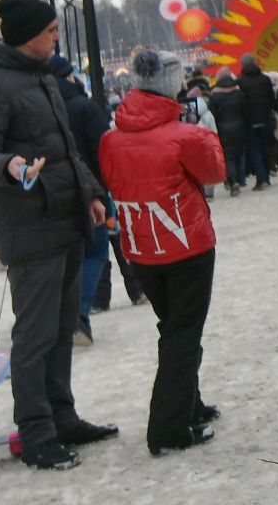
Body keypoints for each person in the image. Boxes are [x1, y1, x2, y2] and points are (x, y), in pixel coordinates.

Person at [0, 0, 117, 472]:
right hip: (29, 228)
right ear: (28, 34)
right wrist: (7, 166)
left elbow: (66, 149)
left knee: (63, 329)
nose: (56, 37)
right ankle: (36, 433)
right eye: (51, 30)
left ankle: (62, 417)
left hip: (66, 220)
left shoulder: (42, 78)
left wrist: (89, 191)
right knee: (35, 334)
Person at [99, 47, 226, 456]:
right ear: (172, 85)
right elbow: (215, 174)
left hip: (141, 247)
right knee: (183, 334)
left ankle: (189, 405)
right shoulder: (187, 134)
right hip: (187, 245)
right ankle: (168, 429)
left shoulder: (111, 139)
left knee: (173, 327)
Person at [53, 58, 112, 346]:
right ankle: (78, 314)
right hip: (91, 188)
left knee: (68, 257)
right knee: (96, 252)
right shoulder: (84, 106)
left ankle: (64, 317)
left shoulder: (44, 108)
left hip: (55, 189)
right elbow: (105, 147)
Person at [237, 55, 276, 190]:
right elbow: (271, 98)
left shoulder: (240, 81)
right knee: (265, 148)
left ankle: (261, 178)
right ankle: (267, 176)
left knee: (254, 150)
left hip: (250, 121)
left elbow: (241, 103)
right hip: (264, 119)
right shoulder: (265, 79)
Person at [207, 68, 247, 196]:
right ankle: (240, 179)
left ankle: (233, 180)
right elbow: (245, 110)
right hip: (240, 127)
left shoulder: (214, 95)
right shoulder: (239, 93)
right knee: (239, 153)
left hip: (223, 128)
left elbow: (213, 115)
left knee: (228, 156)